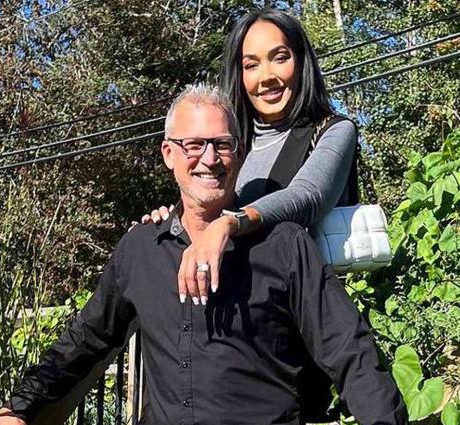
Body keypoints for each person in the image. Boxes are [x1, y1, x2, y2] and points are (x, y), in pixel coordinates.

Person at [0, 85, 435, 425]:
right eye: (194, 145)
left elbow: (348, 348)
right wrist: (18, 409)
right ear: (169, 154)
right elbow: (84, 342)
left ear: (240, 153)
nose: (209, 159)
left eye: (222, 145)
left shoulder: (284, 246)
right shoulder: (141, 250)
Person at [140, 9, 359, 308]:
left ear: (301, 63)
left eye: (280, 58)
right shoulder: (230, 145)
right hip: (236, 313)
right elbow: (204, 202)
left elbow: (308, 196)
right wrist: (172, 221)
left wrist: (231, 222)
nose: (266, 77)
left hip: (305, 314)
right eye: (251, 65)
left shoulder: (334, 131)